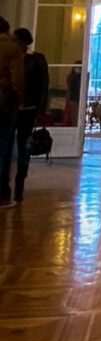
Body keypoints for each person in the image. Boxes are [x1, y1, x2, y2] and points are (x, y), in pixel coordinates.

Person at [1, 29, 48, 202]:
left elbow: (44, 85)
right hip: (10, 109)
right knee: (5, 147)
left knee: (24, 148)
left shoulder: (37, 59)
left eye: (15, 39)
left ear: (23, 42)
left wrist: (41, 111)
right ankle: (4, 186)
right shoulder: (11, 55)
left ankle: (20, 184)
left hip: (29, 109)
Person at [0, 16, 24, 209]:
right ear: (7, 31)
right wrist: (18, 100)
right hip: (4, 105)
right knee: (2, 149)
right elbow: (17, 80)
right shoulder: (12, 49)